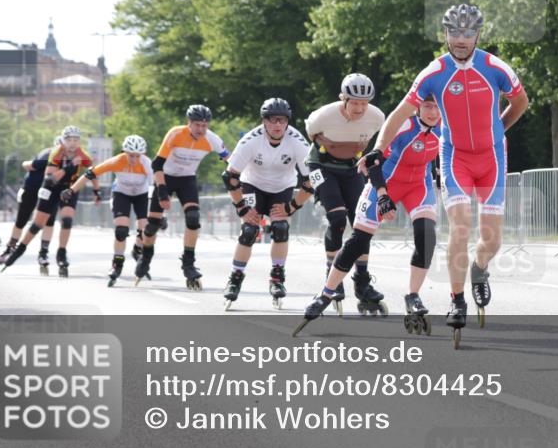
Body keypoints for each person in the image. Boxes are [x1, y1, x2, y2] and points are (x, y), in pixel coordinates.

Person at [359, 4, 528, 347]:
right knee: (460, 226)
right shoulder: (433, 73)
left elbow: (521, 102)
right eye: (454, 33)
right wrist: (378, 147)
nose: (461, 40)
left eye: (468, 33)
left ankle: (479, 268)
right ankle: (456, 299)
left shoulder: (495, 67)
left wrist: (499, 130)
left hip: (493, 157)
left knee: (492, 239)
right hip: (456, 158)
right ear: (445, 33)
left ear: (478, 34)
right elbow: (399, 112)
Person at [295, 96, 442, 336]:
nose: (433, 112)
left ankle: (413, 296)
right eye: (427, 106)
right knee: (359, 241)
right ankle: (326, 294)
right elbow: (374, 159)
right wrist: (383, 196)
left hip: (419, 186)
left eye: (437, 107)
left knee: (427, 235)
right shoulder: (403, 124)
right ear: (418, 107)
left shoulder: (446, 130)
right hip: (385, 181)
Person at [221, 98, 314, 310]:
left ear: (288, 122)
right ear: (264, 122)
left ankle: (277, 277)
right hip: (252, 184)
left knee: (281, 227)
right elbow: (230, 177)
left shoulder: (298, 141)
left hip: (282, 188)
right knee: (249, 230)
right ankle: (235, 278)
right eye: (272, 121)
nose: (277, 125)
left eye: (282, 121)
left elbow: (313, 179)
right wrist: (242, 207)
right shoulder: (251, 140)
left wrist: (292, 207)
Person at [304, 74, 386, 311]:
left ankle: (362, 281)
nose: (360, 108)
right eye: (355, 102)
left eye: (364, 103)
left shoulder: (377, 117)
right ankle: (332, 274)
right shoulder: (323, 115)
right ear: (344, 99)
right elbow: (312, 135)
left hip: (351, 168)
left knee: (362, 225)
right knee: (338, 218)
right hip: (320, 166)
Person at [138, 104, 229, 289]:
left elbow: (232, 161)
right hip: (166, 178)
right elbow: (157, 165)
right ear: (189, 123)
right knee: (152, 226)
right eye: (197, 125)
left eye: (205, 126)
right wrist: (162, 192)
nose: (201, 130)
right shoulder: (175, 134)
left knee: (193, 218)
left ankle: (188, 263)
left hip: (187, 179)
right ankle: (145, 256)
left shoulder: (212, 140)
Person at [2, 125, 100, 276]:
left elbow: (93, 172)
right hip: (51, 188)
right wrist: (69, 167)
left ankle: (61, 253)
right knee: (37, 225)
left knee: (67, 221)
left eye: (76, 140)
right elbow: (50, 179)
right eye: (69, 140)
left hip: (69, 189)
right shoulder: (56, 153)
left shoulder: (83, 154)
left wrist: (96, 191)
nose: (72, 143)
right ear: (63, 141)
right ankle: (19, 249)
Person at [64, 135, 151, 287]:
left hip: (141, 195)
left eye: (138, 156)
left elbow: (156, 188)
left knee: (144, 231)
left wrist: (159, 213)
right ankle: (117, 263)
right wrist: (71, 190)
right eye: (131, 155)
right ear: (125, 151)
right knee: (121, 231)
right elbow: (89, 175)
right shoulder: (116, 161)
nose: (134, 159)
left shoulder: (147, 164)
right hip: (121, 194)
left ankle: (137, 250)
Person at [0, 137, 62, 267]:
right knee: (22, 220)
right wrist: (27, 163)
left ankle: (43, 253)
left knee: (49, 222)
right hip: (32, 189)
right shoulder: (48, 154)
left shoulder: (69, 160)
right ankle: (9, 248)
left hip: (50, 192)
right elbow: (28, 166)